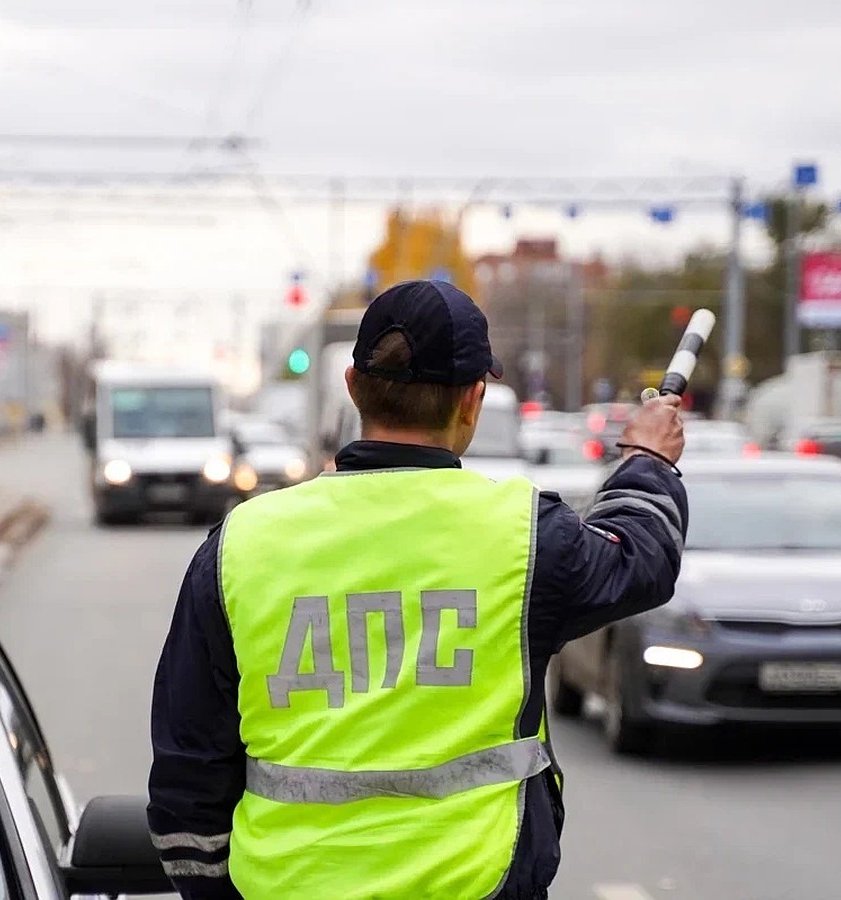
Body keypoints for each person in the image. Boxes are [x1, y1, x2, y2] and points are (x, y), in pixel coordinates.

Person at [148, 280, 687, 900]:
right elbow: (643, 559)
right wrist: (648, 458)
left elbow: (188, 771)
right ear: (473, 401)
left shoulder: (242, 542)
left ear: (352, 386)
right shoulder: (525, 537)